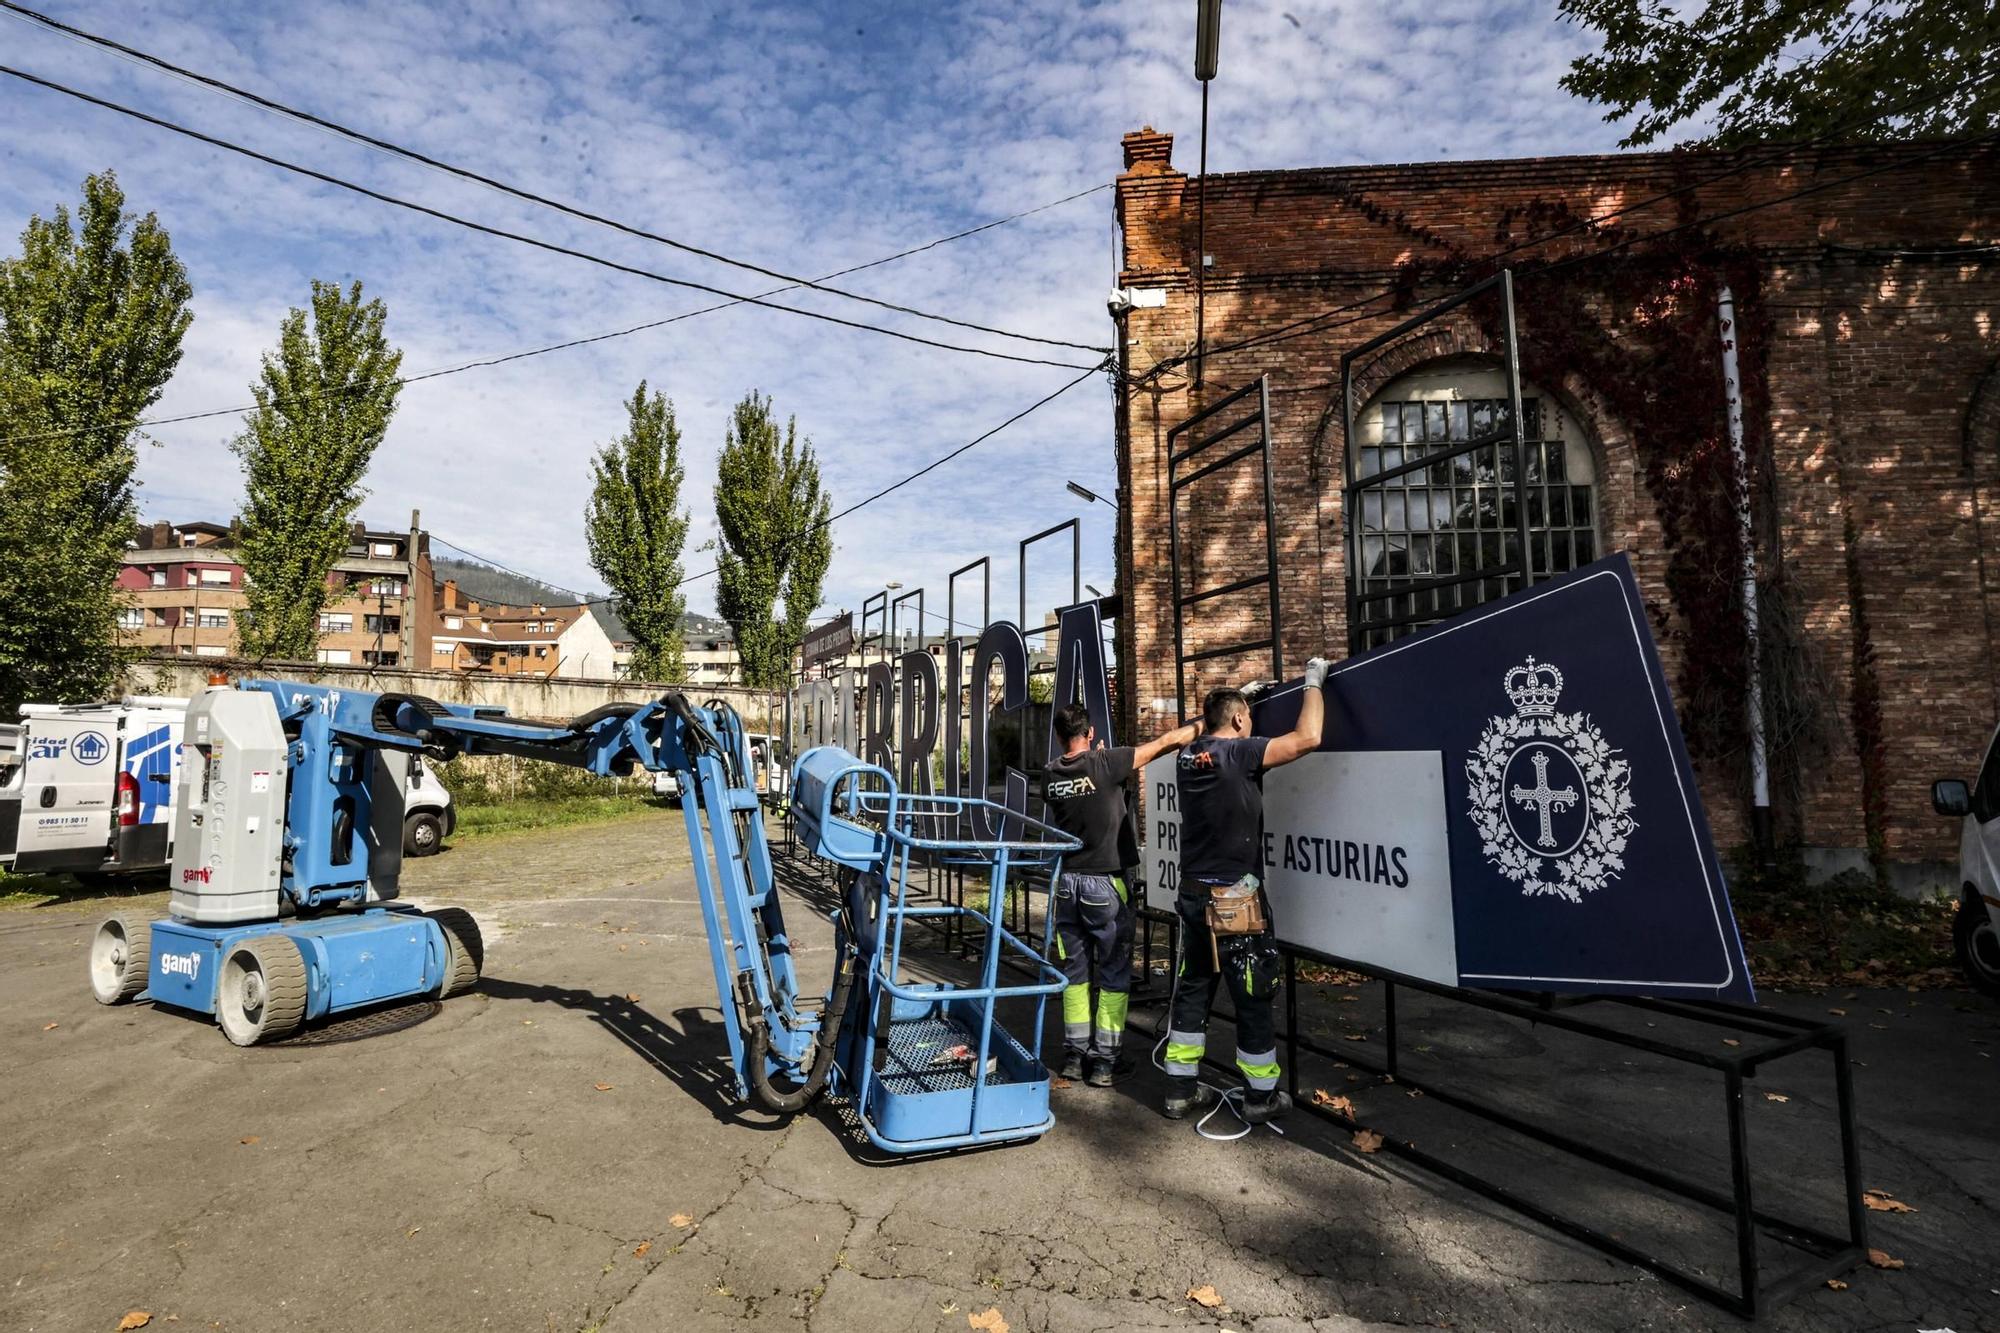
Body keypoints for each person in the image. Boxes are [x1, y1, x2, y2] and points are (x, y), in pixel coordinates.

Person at [1164, 657, 1329, 1124]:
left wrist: (1241, 698)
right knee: (1253, 994)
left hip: (1193, 894)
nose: (1252, 723)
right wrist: (1313, 682)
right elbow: (1307, 739)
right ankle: (1259, 1098)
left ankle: (1179, 1091)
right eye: (1249, 717)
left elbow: (1203, 730)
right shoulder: (1239, 754)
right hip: (1236, 899)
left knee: (1193, 989)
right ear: (1239, 721)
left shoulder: (1187, 757)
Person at [1042, 702, 1201, 1086]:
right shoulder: (1105, 764)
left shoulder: (1049, 776)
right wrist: (1200, 727)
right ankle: (1104, 1062)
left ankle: (1073, 1056)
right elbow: (1163, 744)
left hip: (1066, 884)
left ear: (1059, 736)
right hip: (1105, 884)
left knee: (1075, 974)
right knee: (1113, 973)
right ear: (1091, 733)